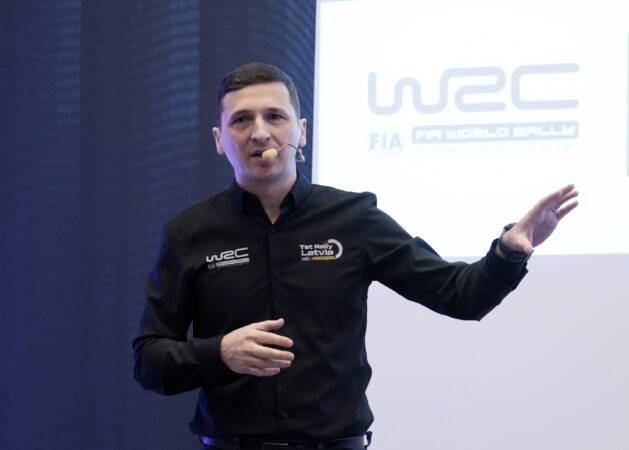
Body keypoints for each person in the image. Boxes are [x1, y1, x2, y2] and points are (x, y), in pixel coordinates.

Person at [132, 63, 578, 450]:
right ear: (219, 139)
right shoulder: (189, 234)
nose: (260, 132)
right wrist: (220, 353)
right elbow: (149, 360)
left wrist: (509, 252)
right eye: (241, 120)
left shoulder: (353, 218)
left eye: (275, 116)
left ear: (301, 131)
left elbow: (459, 295)